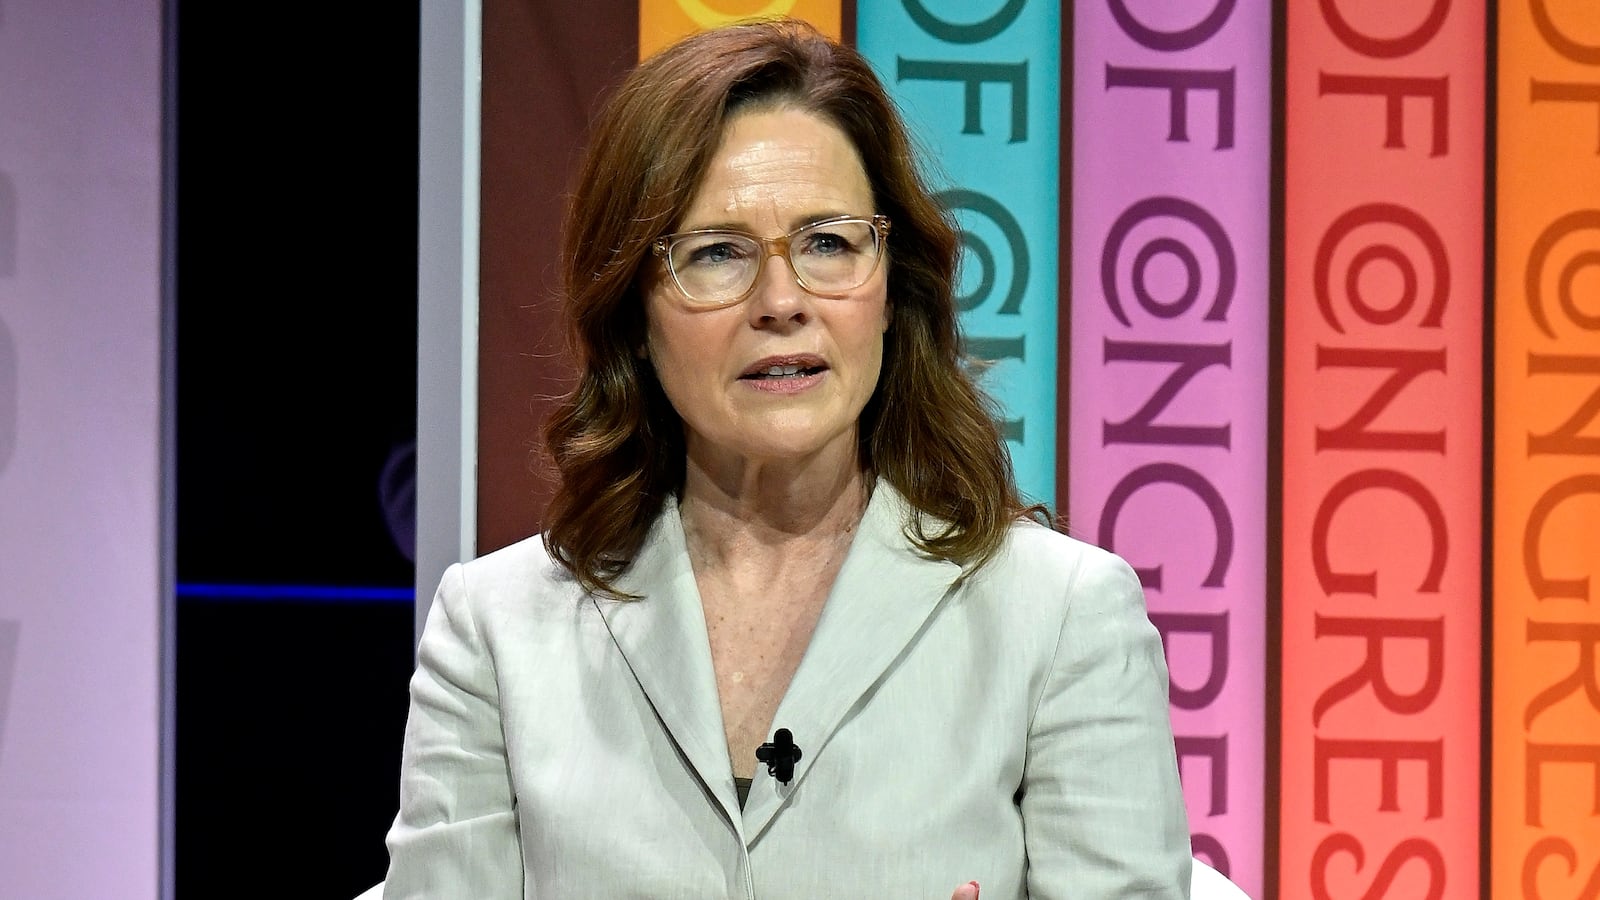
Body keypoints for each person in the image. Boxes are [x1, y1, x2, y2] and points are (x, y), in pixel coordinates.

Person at [384, 18, 1191, 899]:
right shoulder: (496, 632)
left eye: (828, 244)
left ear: (891, 294)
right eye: (718, 253)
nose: (781, 301)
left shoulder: (1060, 618)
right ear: (634, 315)